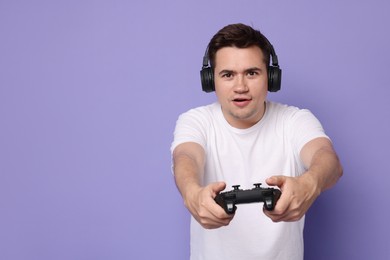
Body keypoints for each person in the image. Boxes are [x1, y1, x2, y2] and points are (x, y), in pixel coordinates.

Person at [170, 23, 343, 260]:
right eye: (228, 75)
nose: (240, 87)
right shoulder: (195, 120)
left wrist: (310, 182)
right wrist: (191, 193)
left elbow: (328, 159)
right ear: (210, 81)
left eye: (252, 73)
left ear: (271, 78)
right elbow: (185, 157)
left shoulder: (295, 120)